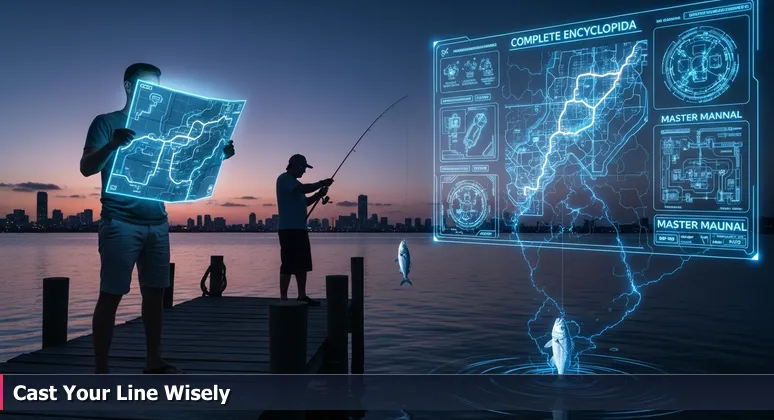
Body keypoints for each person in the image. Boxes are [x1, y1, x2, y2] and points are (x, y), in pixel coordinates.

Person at [80, 63, 236, 373]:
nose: (156, 94)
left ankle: (153, 360)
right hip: (119, 222)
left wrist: (219, 155)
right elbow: (86, 167)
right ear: (128, 86)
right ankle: (101, 369)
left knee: (155, 295)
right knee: (111, 294)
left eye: (159, 87)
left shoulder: (168, 130)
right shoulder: (107, 122)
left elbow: (182, 172)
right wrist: (112, 145)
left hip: (157, 224)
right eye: (148, 86)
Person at [276, 154, 333, 305]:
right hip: (288, 229)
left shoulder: (295, 184)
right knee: (287, 264)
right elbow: (302, 189)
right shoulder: (285, 179)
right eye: (303, 168)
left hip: (300, 229)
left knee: (302, 264)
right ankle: (283, 297)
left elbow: (305, 201)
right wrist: (321, 183)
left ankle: (302, 295)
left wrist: (318, 195)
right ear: (294, 165)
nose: (304, 171)